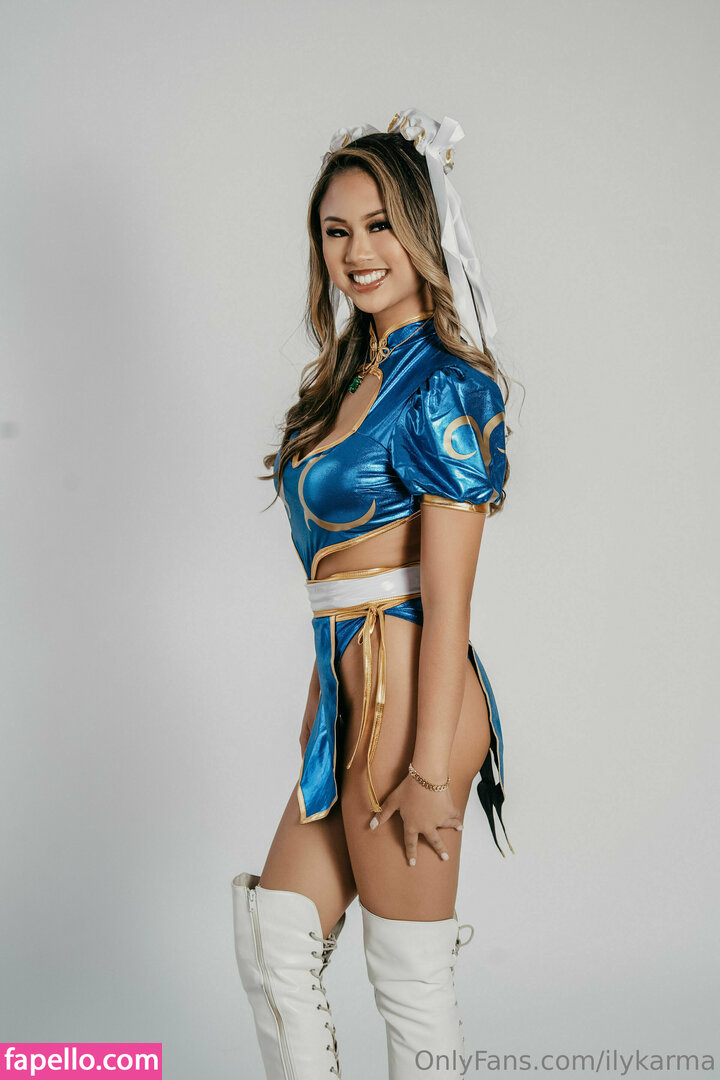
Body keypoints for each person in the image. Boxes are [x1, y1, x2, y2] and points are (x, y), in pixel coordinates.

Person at [231, 107, 516, 1079]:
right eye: (336, 230)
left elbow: (448, 601)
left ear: (423, 230)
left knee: (408, 980)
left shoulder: (445, 386)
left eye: (381, 224)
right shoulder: (345, 377)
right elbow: (330, 582)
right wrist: (325, 698)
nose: (357, 252)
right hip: (349, 699)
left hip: (413, 701)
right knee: (277, 939)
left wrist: (430, 770)